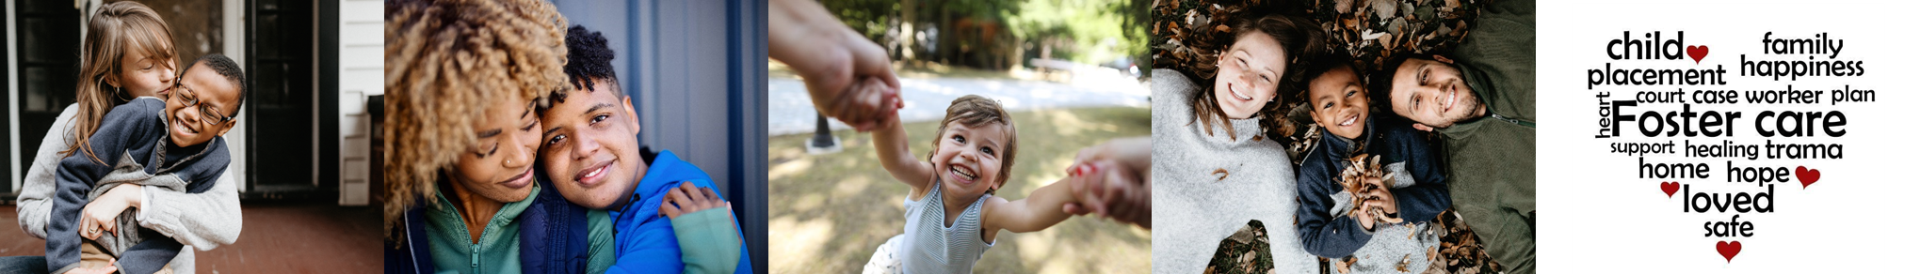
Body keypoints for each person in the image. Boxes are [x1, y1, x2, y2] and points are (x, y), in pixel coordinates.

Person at [382, 0, 611, 273]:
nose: (521, 156)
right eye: (488, 145)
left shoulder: (583, 226)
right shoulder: (394, 231)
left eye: (528, 124)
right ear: (432, 145)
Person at [13, 3, 241, 274]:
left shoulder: (200, 132)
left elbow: (225, 223)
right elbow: (30, 206)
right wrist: (86, 220)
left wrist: (134, 197)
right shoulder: (77, 122)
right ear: (113, 76)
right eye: (148, 66)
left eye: (169, 57)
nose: (168, 74)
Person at [1149, 13, 1324, 273]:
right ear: (1222, 56)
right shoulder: (1163, 91)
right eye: (1242, 60)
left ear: (1273, 93)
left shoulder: (1265, 166)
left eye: (1265, 77)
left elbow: (1296, 259)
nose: (1247, 80)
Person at [1368, 0, 1535, 272]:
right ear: (1423, 126)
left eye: (1425, 76)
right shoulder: (1472, 189)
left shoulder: (1499, 32)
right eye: (1417, 103)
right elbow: (1526, 264)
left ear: (1442, 60)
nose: (1435, 91)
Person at [1292, 60, 1449, 273]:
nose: (1344, 108)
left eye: (1350, 93)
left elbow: (1442, 192)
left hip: (1422, 263)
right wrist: (1359, 225)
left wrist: (1396, 203)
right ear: (1317, 117)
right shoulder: (1316, 171)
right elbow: (1312, 239)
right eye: (1328, 105)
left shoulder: (1401, 138)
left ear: (1366, 94)